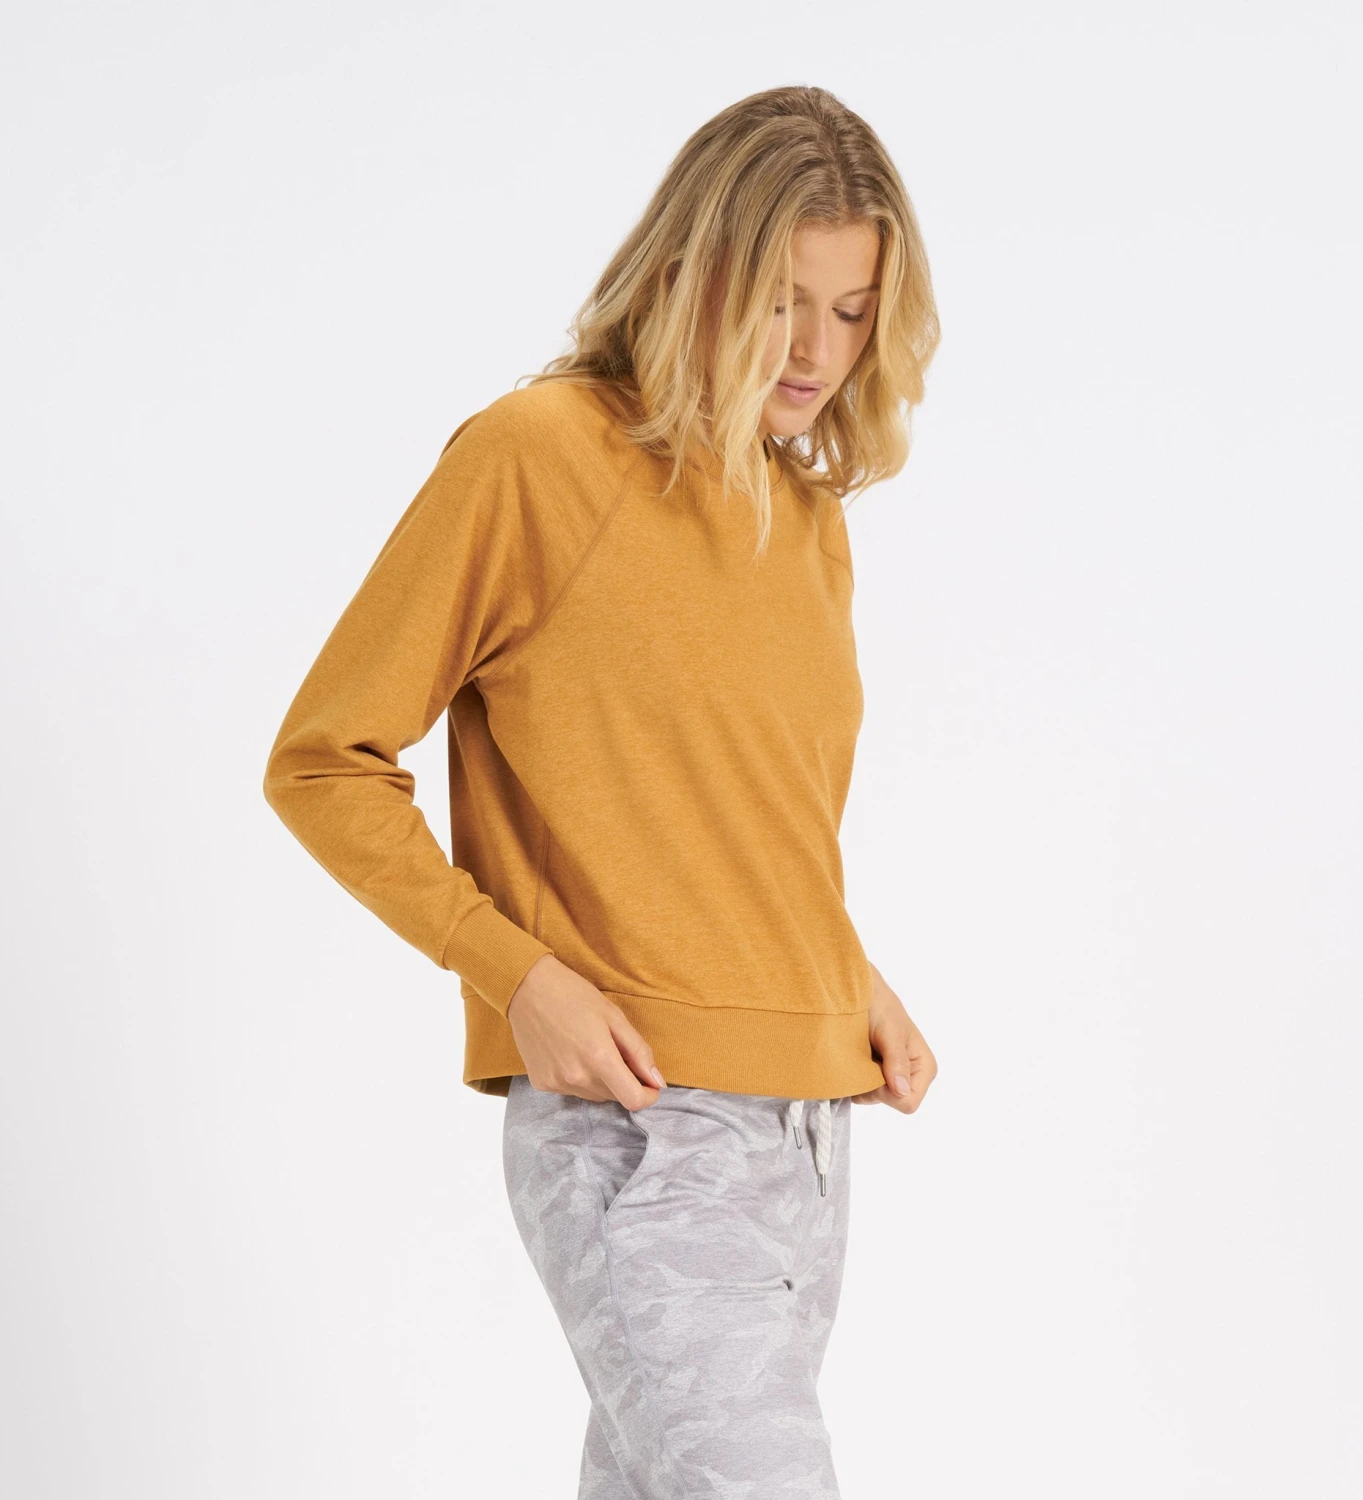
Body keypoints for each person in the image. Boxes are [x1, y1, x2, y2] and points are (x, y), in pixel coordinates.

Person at [263, 82, 941, 1499]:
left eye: (852, 310)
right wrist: (518, 978)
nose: (816, 350)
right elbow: (325, 760)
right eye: (781, 301)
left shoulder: (806, 518)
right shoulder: (541, 456)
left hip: (809, 1138)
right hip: (641, 1123)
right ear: (693, 271)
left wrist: (846, 974)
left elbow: (725, 811)